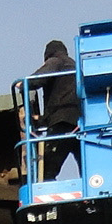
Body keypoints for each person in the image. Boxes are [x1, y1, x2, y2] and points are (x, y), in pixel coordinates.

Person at [30, 38, 79, 183]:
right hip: (78, 123)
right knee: (86, 166)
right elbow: (63, 97)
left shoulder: (56, 61)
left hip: (62, 122)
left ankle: (48, 192)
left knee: (46, 168)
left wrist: (23, 84)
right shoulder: (74, 66)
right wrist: (42, 120)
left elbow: (37, 79)